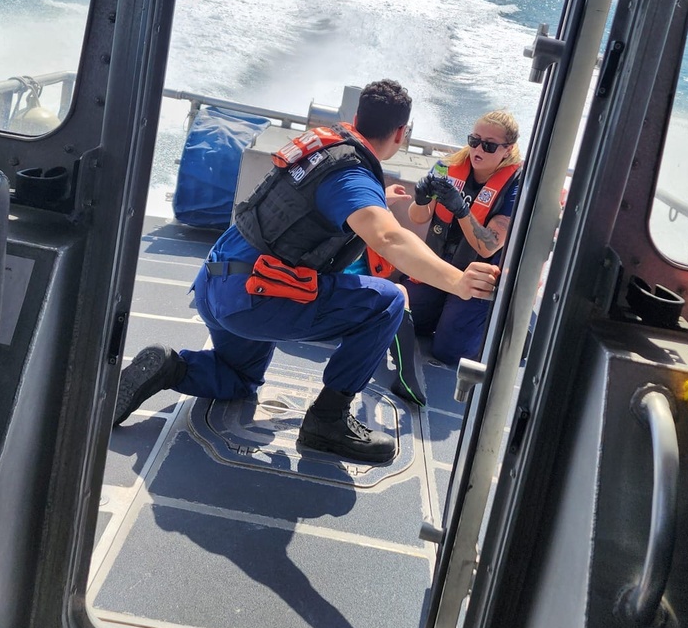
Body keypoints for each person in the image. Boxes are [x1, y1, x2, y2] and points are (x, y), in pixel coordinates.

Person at [113, 79, 500, 463]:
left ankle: (170, 367)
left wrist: (380, 199)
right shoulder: (352, 176)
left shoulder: (322, 145)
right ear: (402, 133)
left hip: (217, 283)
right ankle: (328, 421)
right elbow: (390, 240)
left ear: (355, 118)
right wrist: (458, 280)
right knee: (390, 301)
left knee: (239, 379)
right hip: (254, 299)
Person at [400, 110, 521, 370]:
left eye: (489, 146)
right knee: (404, 320)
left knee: (449, 352)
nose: (478, 149)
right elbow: (418, 218)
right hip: (440, 265)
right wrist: (421, 199)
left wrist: (461, 210)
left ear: (508, 149)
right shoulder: (449, 166)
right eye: (474, 140)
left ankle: (501, 332)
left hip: (478, 277)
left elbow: (487, 244)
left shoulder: (515, 186)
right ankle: (443, 311)